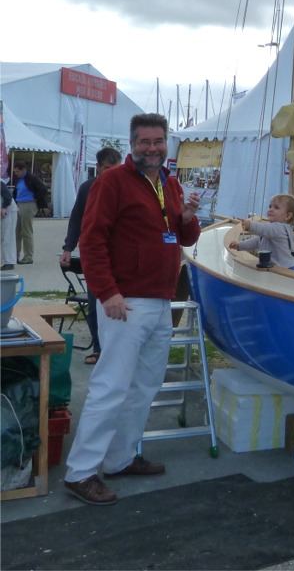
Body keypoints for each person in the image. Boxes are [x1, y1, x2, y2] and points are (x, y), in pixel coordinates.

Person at [63, 113, 201, 505]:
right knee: (111, 386)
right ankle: (81, 472)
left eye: (159, 141)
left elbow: (184, 235)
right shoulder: (112, 182)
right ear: (132, 144)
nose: (153, 148)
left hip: (160, 300)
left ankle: (121, 458)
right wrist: (107, 293)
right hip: (125, 302)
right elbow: (91, 241)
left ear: (166, 143)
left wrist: (188, 218)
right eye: (145, 142)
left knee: (145, 386)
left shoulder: (170, 184)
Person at [60, 147, 123, 364]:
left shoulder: (125, 188)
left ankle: (117, 350)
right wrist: (68, 248)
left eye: (115, 169)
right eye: (106, 169)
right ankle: (99, 349)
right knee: (96, 305)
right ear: (98, 168)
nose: (110, 173)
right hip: (97, 258)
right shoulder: (88, 188)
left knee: (123, 306)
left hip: (121, 259)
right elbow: (76, 220)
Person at [229, 193, 294, 270]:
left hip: (286, 269)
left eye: (276, 207)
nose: (271, 209)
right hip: (279, 268)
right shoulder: (271, 229)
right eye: (270, 206)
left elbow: (263, 229)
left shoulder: (279, 229)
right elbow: (256, 241)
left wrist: (250, 225)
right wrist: (240, 245)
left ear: (288, 216)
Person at [11, 160, 49, 264]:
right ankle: (14, 255)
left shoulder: (32, 179)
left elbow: (43, 189)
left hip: (28, 204)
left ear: (23, 170)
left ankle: (28, 256)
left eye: (17, 171)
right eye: (15, 172)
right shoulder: (19, 180)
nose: (16, 174)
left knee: (26, 231)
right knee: (16, 232)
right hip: (19, 204)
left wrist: (36, 200)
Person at [1, 180, 18, 270]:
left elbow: (8, 196)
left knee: (8, 236)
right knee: (3, 237)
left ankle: (9, 261)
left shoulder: (0, 183)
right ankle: (5, 260)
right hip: (3, 211)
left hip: (9, 210)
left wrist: (3, 207)